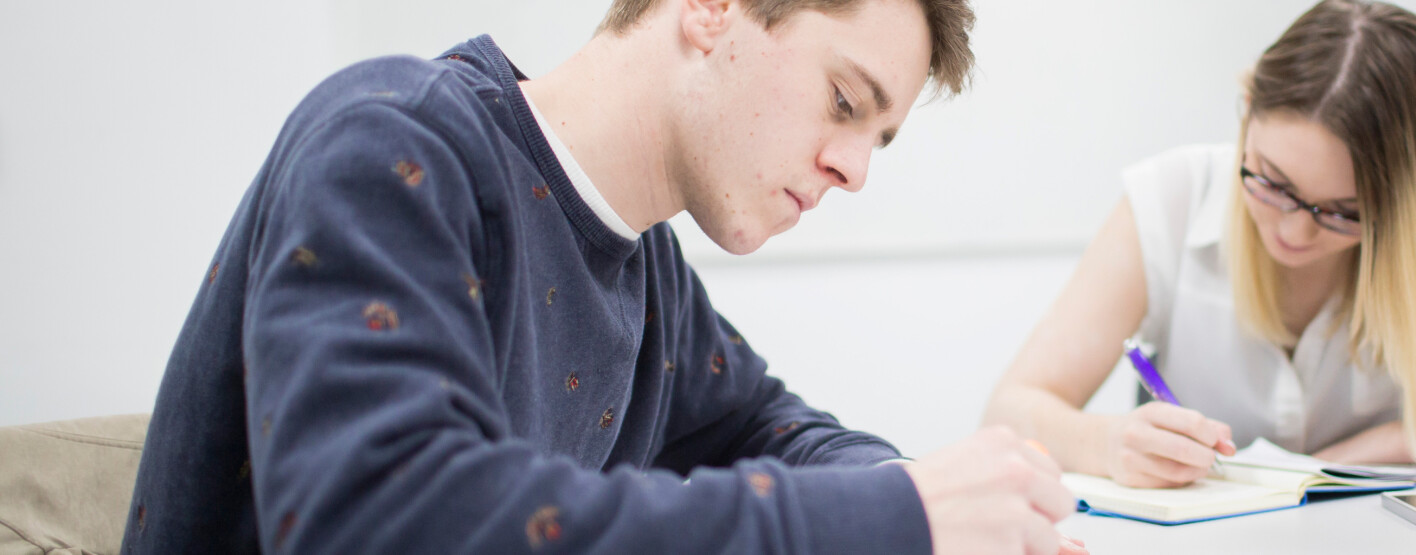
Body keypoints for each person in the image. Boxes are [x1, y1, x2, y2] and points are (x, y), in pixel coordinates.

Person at [121, 1, 1084, 554]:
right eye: (843, 100)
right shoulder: (394, 142)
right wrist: (889, 517)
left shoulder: (645, 263)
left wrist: (917, 488)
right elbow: (385, 517)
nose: (856, 169)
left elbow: (769, 430)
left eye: (878, 138)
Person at [980, 0, 1416, 489]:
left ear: (1413, 204)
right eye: (1271, 182)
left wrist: (1413, 437)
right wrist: (1107, 440)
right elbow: (1011, 408)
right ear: (1246, 106)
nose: (1295, 230)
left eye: (1345, 212)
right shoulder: (1172, 196)